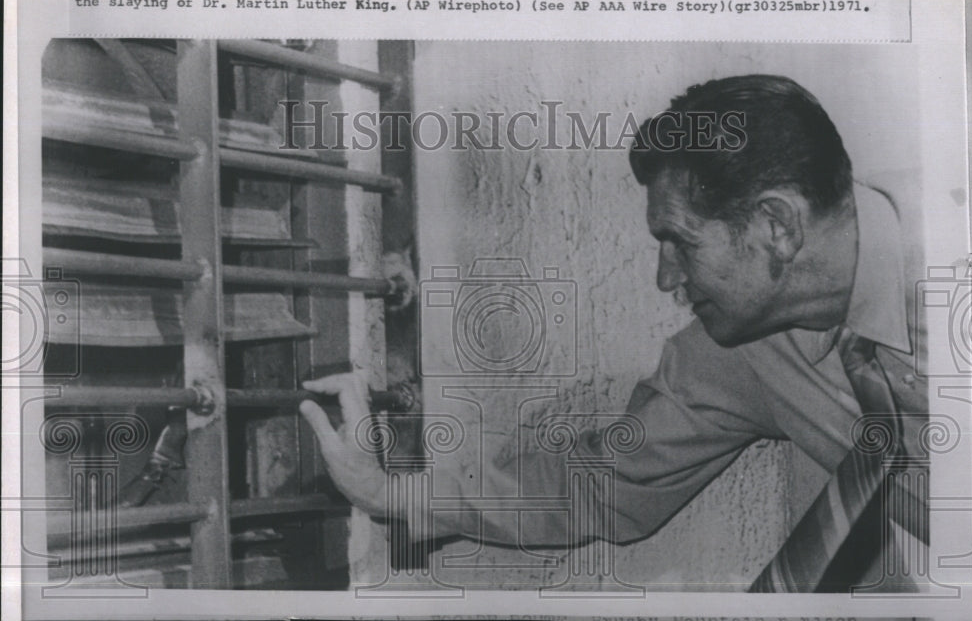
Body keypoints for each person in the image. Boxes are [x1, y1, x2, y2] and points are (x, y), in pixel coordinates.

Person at [299, 74, 928, 591]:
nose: (664, 278)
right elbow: (604, 481)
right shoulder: (746, 348)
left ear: (778, 226)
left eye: (679, 242)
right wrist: (391, 493)